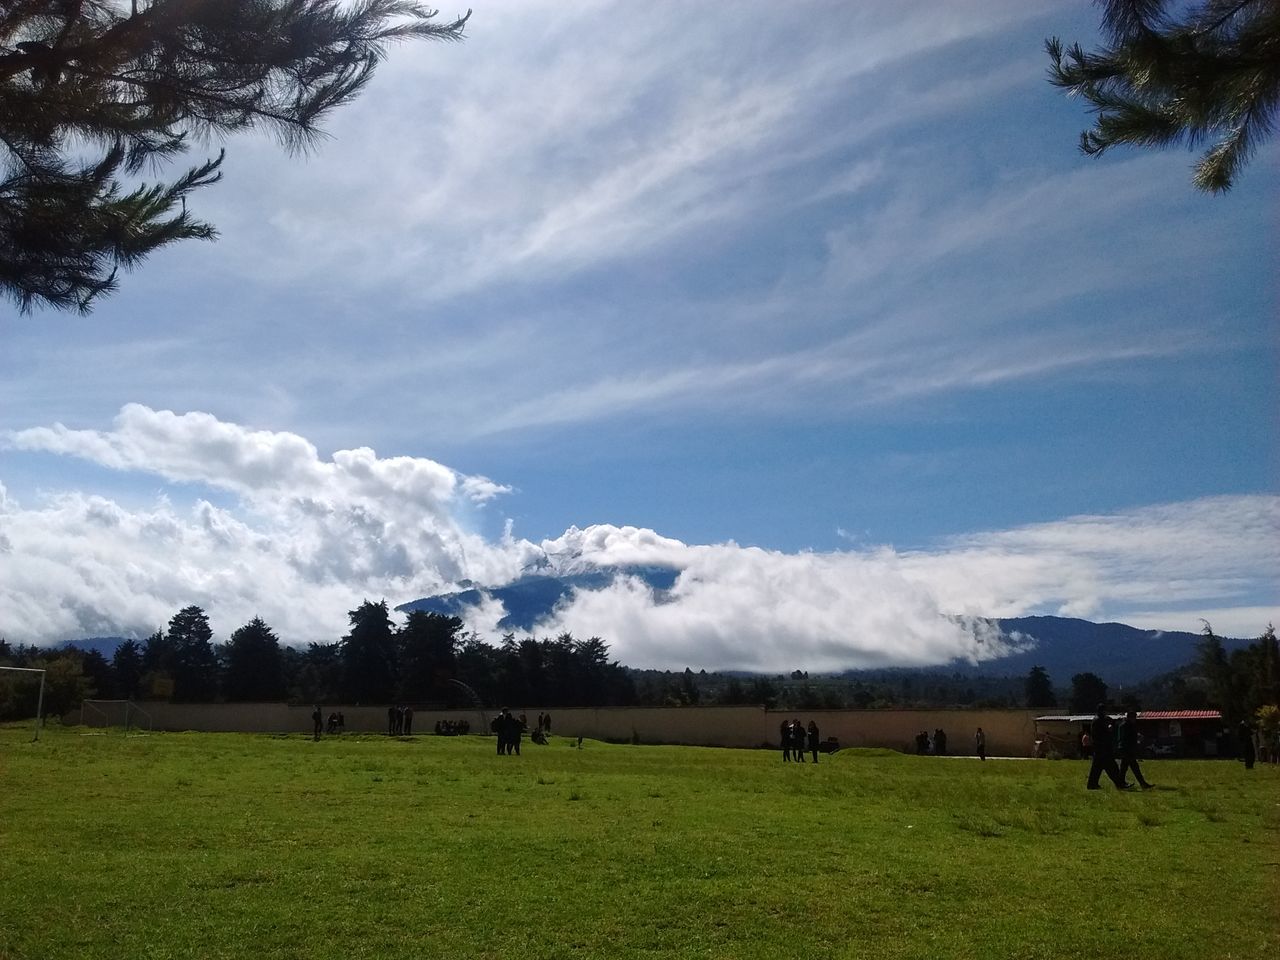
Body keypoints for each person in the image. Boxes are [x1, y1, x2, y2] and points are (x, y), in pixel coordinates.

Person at [1086, 704, 1128, 790]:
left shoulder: (1097, 719)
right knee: (1112, 768)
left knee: (1096, 769)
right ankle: (1120, 784)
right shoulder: (1099, 720)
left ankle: (1092, 784)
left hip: (1099, 748)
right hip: (1103, 748)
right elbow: (1106, 730)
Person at [1116, 709, 1152, 788]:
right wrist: (1137, 738)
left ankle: (1121, 783)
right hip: (1127, 749)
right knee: (1132, 768)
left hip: (1127, 749)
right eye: (1134, 718)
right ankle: (1142, 783)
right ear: (1130, 717)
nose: (1135, 719)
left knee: (1126, 768)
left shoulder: (1127, 725)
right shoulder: (1126, 725)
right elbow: (1127, 738)